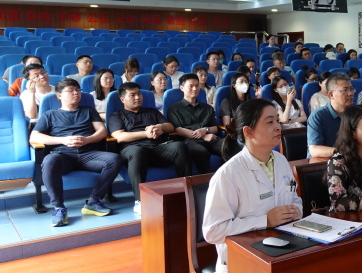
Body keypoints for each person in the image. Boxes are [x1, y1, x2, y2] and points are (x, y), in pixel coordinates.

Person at [203, 99, 302, 273]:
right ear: (248, 132)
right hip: (243, 261)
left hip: (283, 248)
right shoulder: (228, 175)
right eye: (269, 122)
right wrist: (264, 220)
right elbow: (213, 231)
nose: (278, 126)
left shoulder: (280, 161)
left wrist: (295, 211)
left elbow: (294, 198)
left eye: (277, 120)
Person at [29, 78, 121, 227]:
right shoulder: (49, 115)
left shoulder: (88, 110)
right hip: (63, 155)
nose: (76, 93)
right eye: (70, 90)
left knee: (115, 159)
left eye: (77, 90)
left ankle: (93, 201)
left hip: (88, 154)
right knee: (49, 160)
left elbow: (102, 131)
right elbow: (34, 137)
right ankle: (59, 207)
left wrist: (88, 140)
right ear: (59, 95)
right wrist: (63, 140)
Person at [108, 82, 191, 216]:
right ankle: (139, 201)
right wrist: (145, 134)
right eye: (132, 95)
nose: (137, 97)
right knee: (137, 151)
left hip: (157, 148)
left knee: (179, 146)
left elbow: (170, 127)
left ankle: (186, 191)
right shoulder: (116, 116)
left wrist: (159, 127)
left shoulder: (152, 112)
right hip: (132, 149)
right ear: (122, 99)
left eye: (139, 94)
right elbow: (120, 136)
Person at [167, 73, 223, 176]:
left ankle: (228, 177)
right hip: (189, 140)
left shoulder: (207, 108)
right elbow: (179, 130)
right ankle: (205, 181)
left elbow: (215, 128)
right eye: (191, 86)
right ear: (182, 88)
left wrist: (205, 130)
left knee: (229, 146)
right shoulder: (174, 109)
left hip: (210, 138)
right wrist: (203, 136)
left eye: (197, 86)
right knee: (201, 152)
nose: (195, 89)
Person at [307, 73, 354, 158]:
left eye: (351, 89)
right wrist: (342, 151)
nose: (350, 93)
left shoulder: (354, 113)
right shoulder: (318, 116)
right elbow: (314, 150)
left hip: (348, 159)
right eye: (345, 90)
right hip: (322, 162)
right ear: (331, 94)